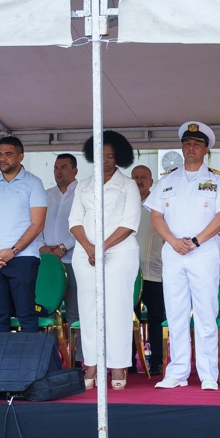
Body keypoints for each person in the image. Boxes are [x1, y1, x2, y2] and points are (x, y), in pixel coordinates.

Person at [147, 122, 220, 389]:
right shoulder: (166, 180)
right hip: (174, 251)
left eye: (197, 144)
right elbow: (156, 215)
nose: (191, 148)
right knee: (175, 313)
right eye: (187, 143)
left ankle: (208, 373)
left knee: (205, 312)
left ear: (206, 149)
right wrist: (173, 241)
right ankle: (177, 372)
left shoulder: (218, 180)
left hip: (203, 251)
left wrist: (196, 240)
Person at [70, 130, 143, 390]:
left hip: (119, 253)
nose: (106, 160)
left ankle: (119, 364)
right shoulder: (83, 185)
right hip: (84, 254)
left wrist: (100, 248)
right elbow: (74, 221)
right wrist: (90, 248)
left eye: (111, 156)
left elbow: (129, 223)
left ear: (119, 158)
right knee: (88, 309)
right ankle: (91, 363)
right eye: (102, 155)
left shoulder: (128, 184)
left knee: (117, 309)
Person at [0, 136, 49, 334]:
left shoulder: (33, 183)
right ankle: (3, 365)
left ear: (21, 156)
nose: (2, 158)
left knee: (26, 314)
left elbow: (38, 223)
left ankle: (30, 365)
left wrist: (13, 251)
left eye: (8, 154)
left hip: (23, 258)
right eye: (0, 154)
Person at [132, 164, 165, 375]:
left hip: (155, 271)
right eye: (135, 177)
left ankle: (156, 362)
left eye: (143, 177)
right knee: (128, 318)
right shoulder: (125, 205)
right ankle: (127, 362)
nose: (139, 181)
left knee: (155, 318)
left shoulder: (160, 205)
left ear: (151, 182)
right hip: (131, 273)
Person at [40, 153, 80, 323]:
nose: (58, 172)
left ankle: (79, 351)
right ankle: (50, 350)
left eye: (64, 167)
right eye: (56, 168)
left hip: (74, 260)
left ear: (75, 170)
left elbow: (88, 226)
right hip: (48, 261)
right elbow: (35, 223)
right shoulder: (45, 195)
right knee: (47, 312)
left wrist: (64, 247)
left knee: (75, 313)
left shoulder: (83, 193)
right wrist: (41, 246)